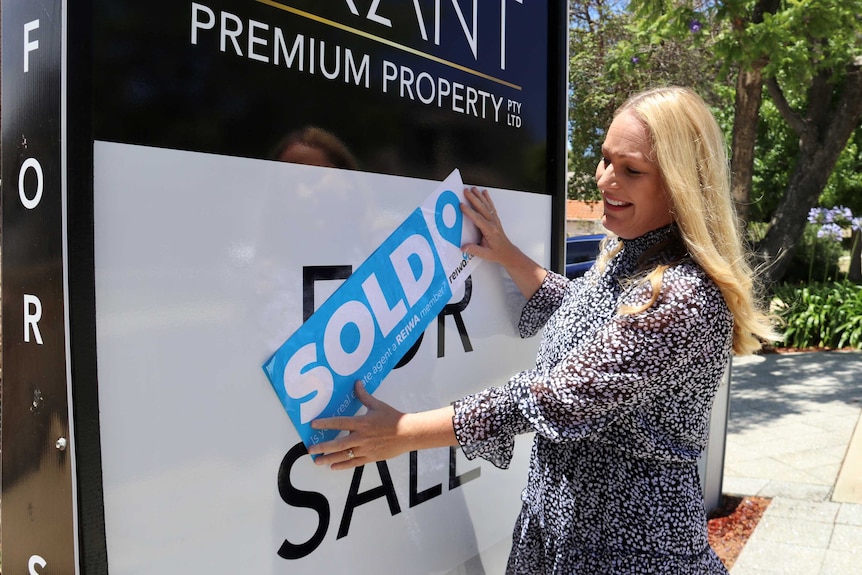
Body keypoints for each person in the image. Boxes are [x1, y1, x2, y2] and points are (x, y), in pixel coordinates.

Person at [306, 86, 778, 574]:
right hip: (562, 536)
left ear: (682, 183)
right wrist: (507, 253)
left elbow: (559, 398)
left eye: (631, 170)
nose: (604, 179)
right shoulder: (632, 253)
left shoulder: (682, 294)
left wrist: (404, 432)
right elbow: (581, 311)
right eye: (604, 159)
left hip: (629, 556)